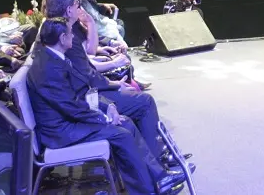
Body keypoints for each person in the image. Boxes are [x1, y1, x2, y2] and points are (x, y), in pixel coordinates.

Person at [25, 18, 185, 195]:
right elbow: (71, 105)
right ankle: (147, 191)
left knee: (126, 123)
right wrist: (105, 118)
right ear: (62, 38)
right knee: (121, 134)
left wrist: (107, 106)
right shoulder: (48, 68)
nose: (73, 36)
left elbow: (79, 91)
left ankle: (159, 178)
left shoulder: (53, 57)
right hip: (61, 132)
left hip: (68, 120)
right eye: (70, 33)